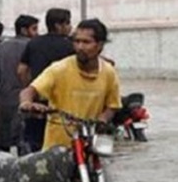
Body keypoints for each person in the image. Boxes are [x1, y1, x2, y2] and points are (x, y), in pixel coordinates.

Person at [19, 18, 122, 150]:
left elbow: (113, 105)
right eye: (77, 41)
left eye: (86, 42)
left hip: (89, 144)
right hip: (57, 149)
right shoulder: (59, 69)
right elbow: (29, 91)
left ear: (100, 45)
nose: (80, 47)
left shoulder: (109, 72)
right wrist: (27, 103)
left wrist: (102, 119)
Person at [17, 8, 74, 153]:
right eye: (67, 23)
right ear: (58, 25)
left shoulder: (33, 43)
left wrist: (31, 89)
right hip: (64, 104)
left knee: (34, 144)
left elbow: (21, 70)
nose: (70, 27)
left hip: (37, 102)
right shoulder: (70, 46)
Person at [0, 14, 39, 153]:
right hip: (28, 100)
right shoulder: (33, 46)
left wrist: (2, 84)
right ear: (23, 30)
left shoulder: (2, 46)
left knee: (2, 143)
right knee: (25, 143)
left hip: (4, 99)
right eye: (34, 29)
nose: (37, 33)